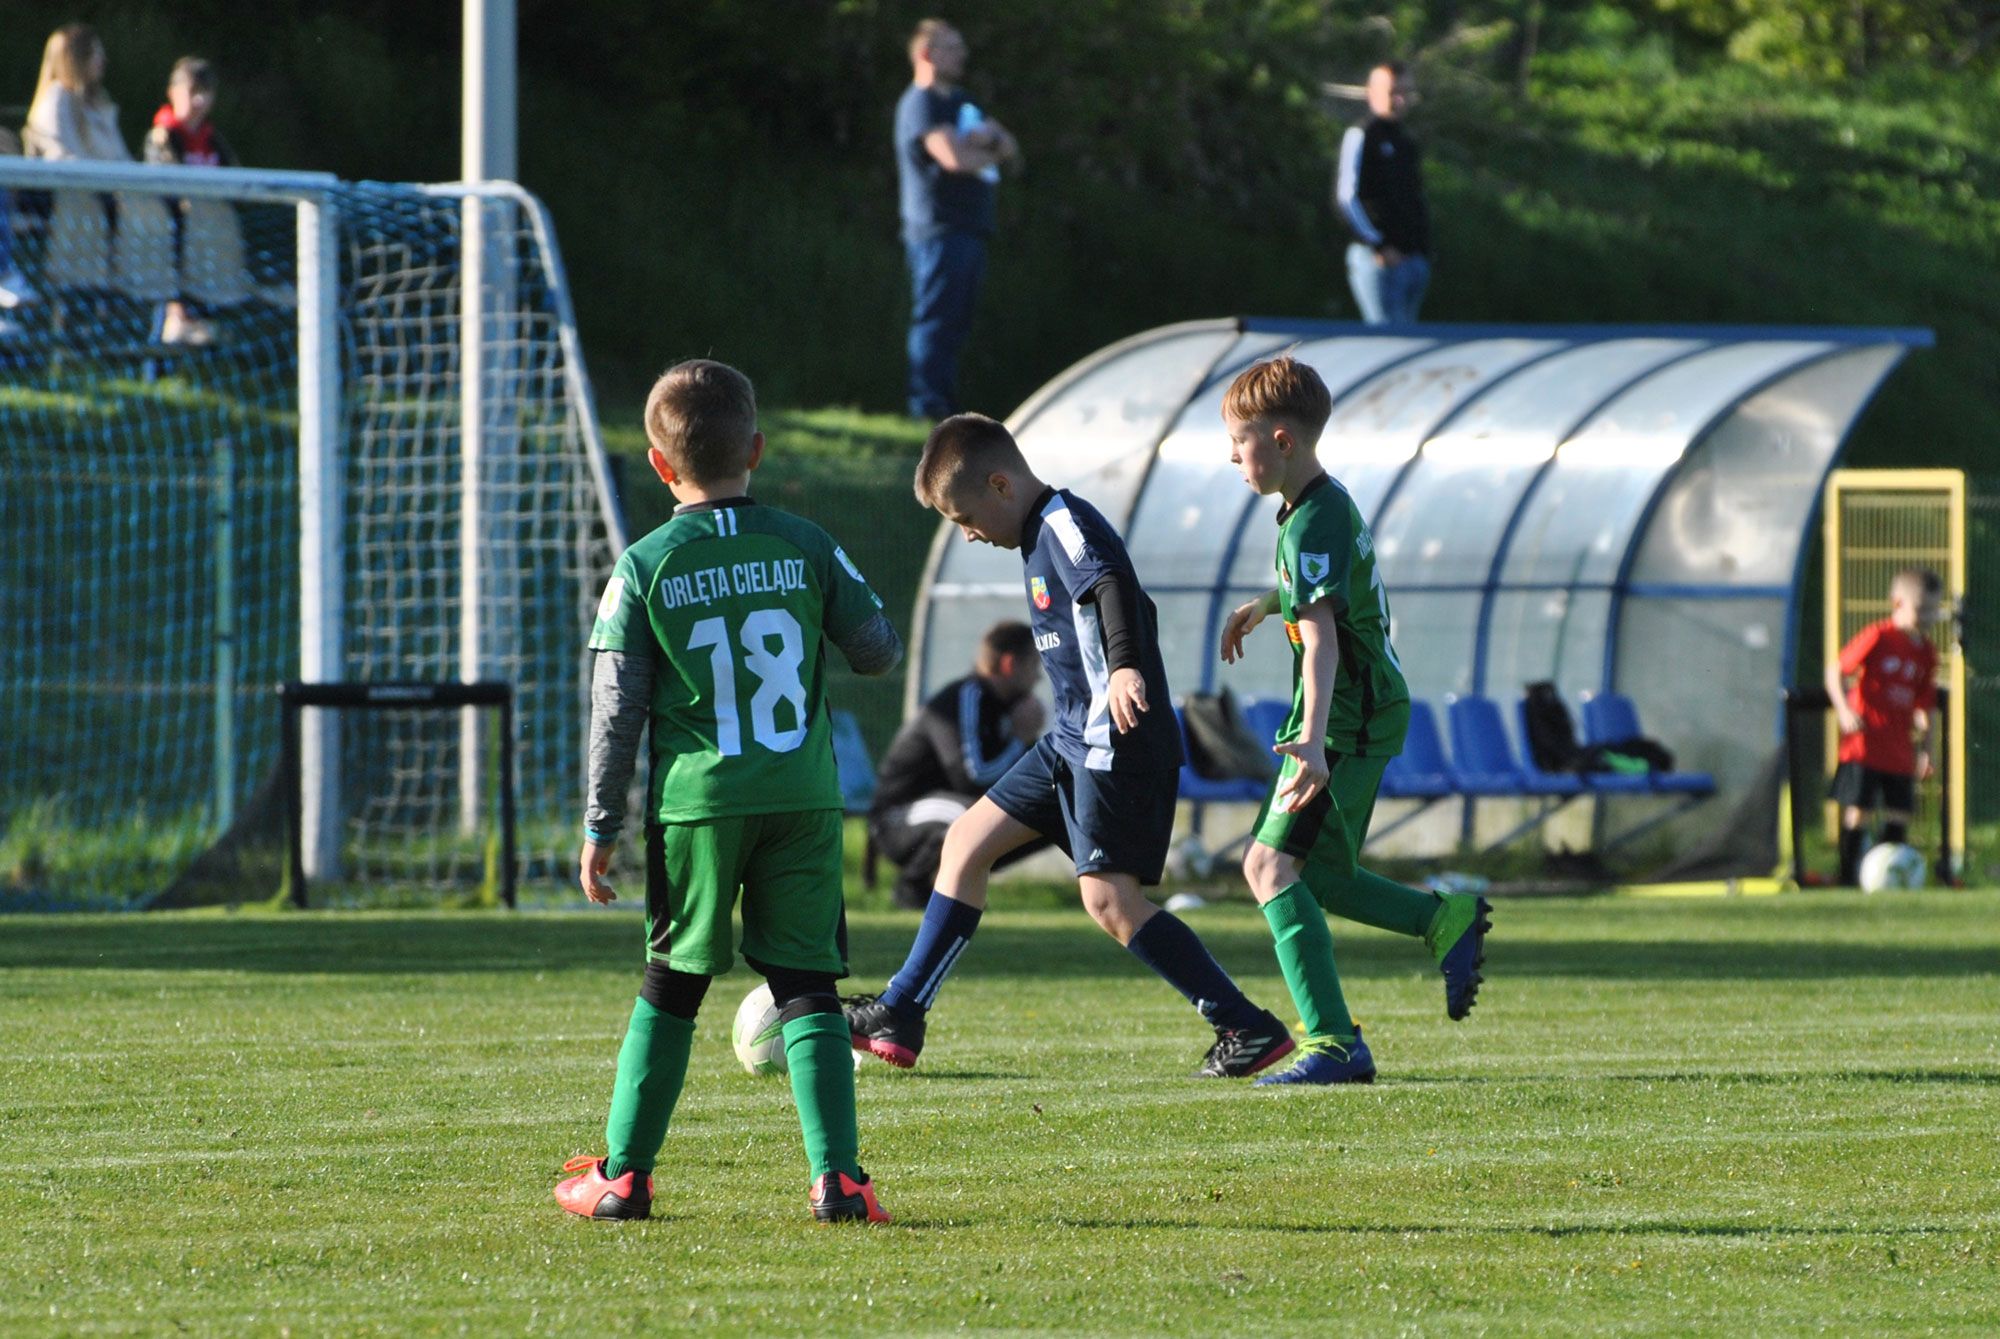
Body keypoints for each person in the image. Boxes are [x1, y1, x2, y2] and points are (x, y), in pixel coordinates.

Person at [556, 359, 906, 1225]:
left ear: (658, 463)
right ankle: (840, 1181)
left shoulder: (645, 566)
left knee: (672, 982)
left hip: (701, 807)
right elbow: (877, 649)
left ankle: (624, 1177)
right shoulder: (805, 542)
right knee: (808, 986)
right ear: (756, 446)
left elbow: (616, 708)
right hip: (801, 795)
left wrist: (601, 821)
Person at [845, 414, 1298, 1080]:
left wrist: (1121, 666)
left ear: (1001, 483)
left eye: (965, 516)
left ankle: (1245, 1024)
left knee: (1110, 902)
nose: (966, 532)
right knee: (965, 841)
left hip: (1115, 739)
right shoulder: (1033, 533)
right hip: (1070, 738)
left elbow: (1111, 581)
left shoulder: (1061, 520)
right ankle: (900, 1011)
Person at [1218, 355, 1489, 1085]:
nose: (1232, 457)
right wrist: (1264, 603)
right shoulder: (1319, 505)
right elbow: (1326, 595)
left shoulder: (1310, 523)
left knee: (1269, 865)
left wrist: (1310, 739)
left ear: (1280, 438)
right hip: (1356, 712)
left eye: (1239, 442)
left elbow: (1326, 636)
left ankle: (1335, 1043)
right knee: (1324, 877)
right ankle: (1443, 920)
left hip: (1347, 719)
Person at [868, 619, 1049, 909]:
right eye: (1033, 666)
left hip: (941, 809)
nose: (1038, 678)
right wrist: (1019, 739)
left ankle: (962, 884)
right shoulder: (967, 697)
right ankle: (912, 887)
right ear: (1009, 664)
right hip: (897, 820)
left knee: (1045, 818)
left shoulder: (1006, 708)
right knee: (969, 818)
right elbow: (972, 778)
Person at [894, 19, 1018, 420]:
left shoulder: (964, 103)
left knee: (956, 321)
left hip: (969, 228)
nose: (961, 54)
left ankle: (943, 404)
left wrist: (991, 145)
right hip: (937, 229)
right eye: (952, 47)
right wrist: (982, 149)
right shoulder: (922, 102)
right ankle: (926, 405)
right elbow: (955, 159)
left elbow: (1011, 149)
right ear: (927, 54)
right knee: (935, 319)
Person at [23, 23, 173, 304]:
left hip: (111, 196)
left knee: (157, 209)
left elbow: (120, 159)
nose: (103, 61)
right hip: (77, 201)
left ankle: (152, 299)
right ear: (76, 58)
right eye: (95, 54)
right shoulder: (56, 100)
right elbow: (61, 157)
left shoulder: (98, 104)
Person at [1824, 567, 1940, 886]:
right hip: (1864, 745)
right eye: (1922, 609)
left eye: (1933, 609)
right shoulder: (1879, 636)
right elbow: (1835, 671)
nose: (1928, 616)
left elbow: (1924, 706)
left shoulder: (1927, 653)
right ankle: (1847, 879)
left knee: (1899, 813)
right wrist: (1844, 710)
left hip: (1899, 750)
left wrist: (1927, 749)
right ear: (1897, 602)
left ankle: (1891, 879)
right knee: (1858, 810)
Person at [144, 57, 250, 345]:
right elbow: (165, 190)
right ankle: (175, 321)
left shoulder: (212, 139)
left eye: (206, 93)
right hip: (173, 235)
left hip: (210, 237)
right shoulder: (163, 136)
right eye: (193, 92)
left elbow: (236, 182)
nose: (200, 101)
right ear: (173, 92)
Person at [1334, 61, 1431, 325]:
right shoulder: (1362, 135)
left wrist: (1421, 249)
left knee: (1410, 343)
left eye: (1406, 92)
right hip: (1378, 260)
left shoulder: (1405, 142)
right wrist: (1377, 244)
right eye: (1392, 91)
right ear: (1372, 92)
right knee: (1387, 336)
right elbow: (1347, 198)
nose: (1400, 99)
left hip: (1411, 260)